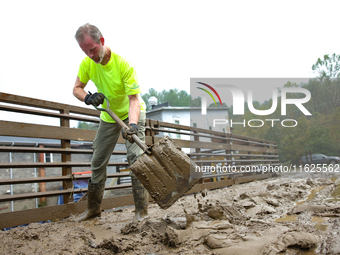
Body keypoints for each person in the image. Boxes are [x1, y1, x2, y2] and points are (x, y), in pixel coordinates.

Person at [73, 23, 148, 222]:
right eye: (85, 51)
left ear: (102, 41)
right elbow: (77, 88)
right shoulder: (87, 63)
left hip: (131, 114)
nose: (89, 55)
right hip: (108, 116)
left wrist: (132, 126)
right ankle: (93, 210)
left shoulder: (123, 65)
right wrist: (87, 98)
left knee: (136, 159)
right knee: (97, 162)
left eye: (92, 49)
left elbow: (134, 100)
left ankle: (141, 212)